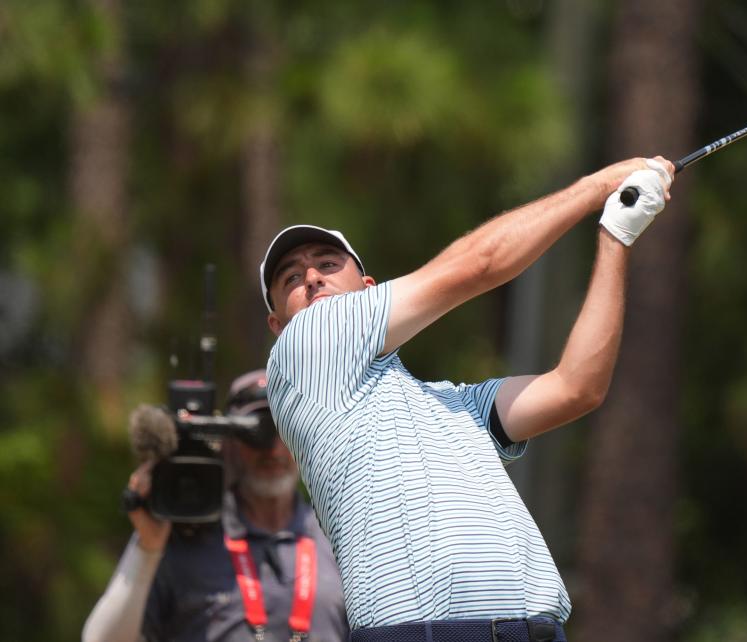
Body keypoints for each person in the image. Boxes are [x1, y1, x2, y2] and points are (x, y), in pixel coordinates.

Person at [260, 157, 674, 641]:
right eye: (290, 279)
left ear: (367, 289)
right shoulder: (304, 344)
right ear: (277, 326)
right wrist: (599, 185)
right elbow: (480, 265)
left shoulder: (452, 404)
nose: (311, 279)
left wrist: (615, 236)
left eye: (328, 265)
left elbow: (576, 388)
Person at [82, 369, 350, 642]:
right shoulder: (186, 534)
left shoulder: (340, 540)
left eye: (286, 429)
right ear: (228, 442)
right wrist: (148, 548)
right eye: (256, 431)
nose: (273, 449)